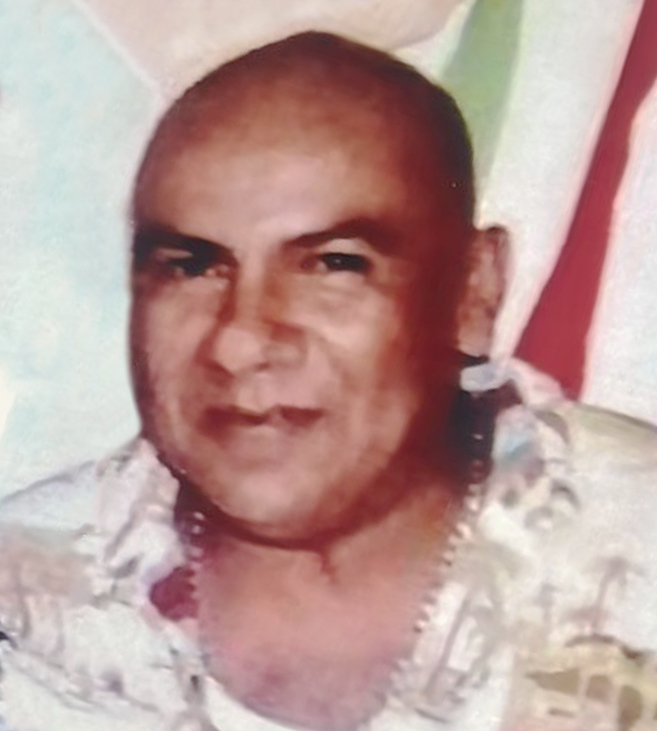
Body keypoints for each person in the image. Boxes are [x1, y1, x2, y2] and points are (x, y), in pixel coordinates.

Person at [0, 31, 656, 731]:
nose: (239, 341)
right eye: (191, 267)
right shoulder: (21, 612)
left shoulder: (636, 552)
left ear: (473, 291)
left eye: (333, 265)